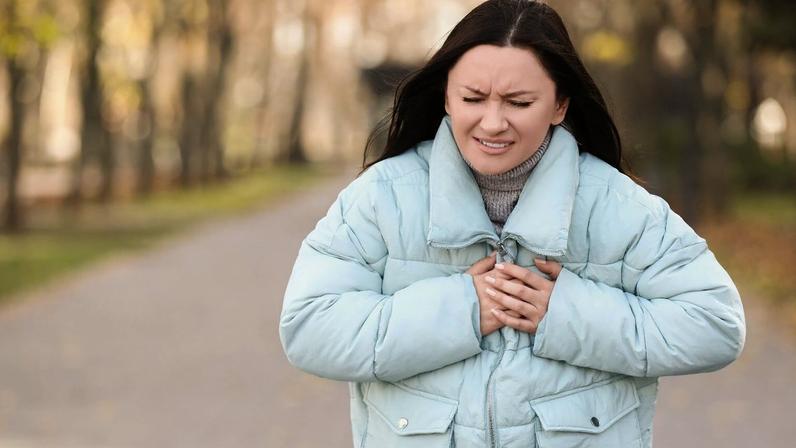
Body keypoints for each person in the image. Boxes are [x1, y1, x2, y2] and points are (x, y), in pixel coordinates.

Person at [279, 1, 746, 447]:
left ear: (560, 105)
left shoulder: (620, 208)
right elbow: (309, 327)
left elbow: (716, 323)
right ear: (446, 96)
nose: (493, 122)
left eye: (519, 102)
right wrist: (460, 309)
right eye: (473, 98)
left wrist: (568, 315)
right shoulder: (381, 198)